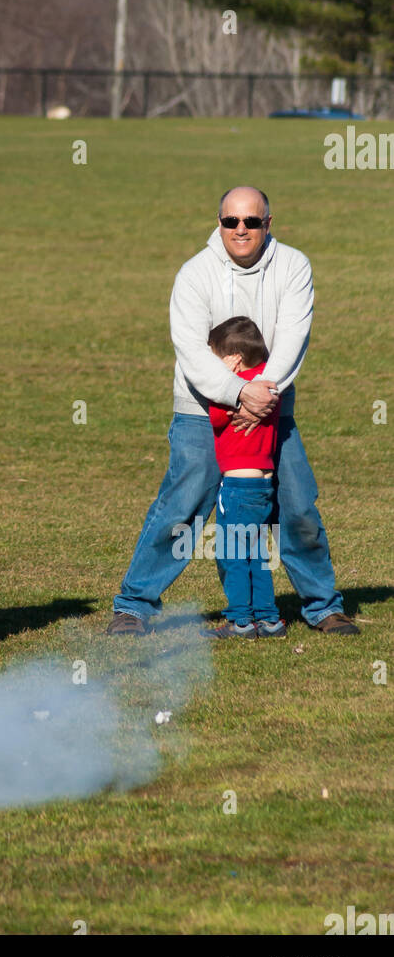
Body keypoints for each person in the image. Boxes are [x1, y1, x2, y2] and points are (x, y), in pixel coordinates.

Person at [107, 187, 358, 636]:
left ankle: (323, 606)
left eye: (251, 222)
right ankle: (134, 605)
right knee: (183, 503)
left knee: (297, 505)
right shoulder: (194, 273)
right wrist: (237, 394)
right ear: (219, 221)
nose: (240, 229)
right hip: (202, 409)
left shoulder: (293, 266)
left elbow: (293, 337)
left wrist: (263, 394)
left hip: (272, 410)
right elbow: (190, 349)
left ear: (268, 223)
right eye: (231, 221)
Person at [206, 316, 285, 639]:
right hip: (263, 484)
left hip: (238, 487)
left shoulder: (237, 389)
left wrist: (226, 386)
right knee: (256, 553)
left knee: (231, 554)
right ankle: (269, 619)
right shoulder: (268, 386)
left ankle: (240, 621)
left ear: (233, 359)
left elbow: (214, 419)